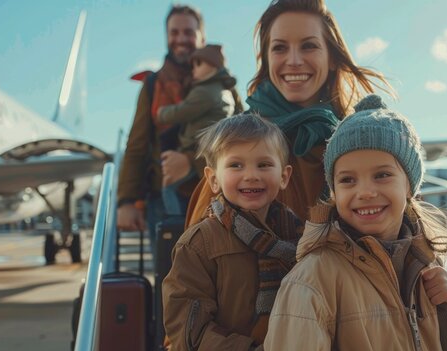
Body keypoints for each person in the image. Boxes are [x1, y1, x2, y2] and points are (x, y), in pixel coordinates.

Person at [264, 95, 447, 351]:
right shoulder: (313, 279)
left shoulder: (427, 265)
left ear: (409, 185)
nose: (366, 192)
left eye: (382, 175)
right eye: (348, 180)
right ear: (334, 191)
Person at [185, 0, 393, 227]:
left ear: (332, 57)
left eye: (308, 46)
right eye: (280, 48)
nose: (294, 61)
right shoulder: (237, 141)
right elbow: (198, 250)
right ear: (267, 59)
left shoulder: (363, 139)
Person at [162, 113, 303, 351]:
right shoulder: (198, 244)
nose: (251, 175)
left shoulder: (300, 238)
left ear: (284, 176)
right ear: (213, 179)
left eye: (264, 164)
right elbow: (189, 331)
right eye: (236, 165)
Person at [117, 5, 205, 243]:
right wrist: (126, 201)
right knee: (168, 277)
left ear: (201, 36)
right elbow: (136, 145)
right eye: (174, 33)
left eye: (188, 32)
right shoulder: (153, 84)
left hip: (211, 195)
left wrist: (190, 162)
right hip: (162, 201)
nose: (181, 39)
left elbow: (238, 140)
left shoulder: (221, 83)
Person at [157, 43, 243, 216]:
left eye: (198, 64)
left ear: (212, 65)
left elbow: (182, 111)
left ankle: (176, 225)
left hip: (197, 150)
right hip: (211, 149)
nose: (193, 69)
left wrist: (161, 113)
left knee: (168, 187)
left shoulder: (205, 91)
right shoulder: (224, 90)